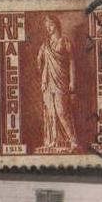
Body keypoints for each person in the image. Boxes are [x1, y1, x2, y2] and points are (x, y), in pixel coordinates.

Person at [36, 14, 78, 150]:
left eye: (50, 24)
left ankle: (73, 140)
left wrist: (72, 82)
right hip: (47, 82)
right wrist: (41, 64)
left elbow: (72, 63)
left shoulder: (65, 42)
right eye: (46, 26)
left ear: (56, 24)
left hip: (61, 81)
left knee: (61, 111)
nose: (48, 28)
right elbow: (39, 63)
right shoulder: (45, 45)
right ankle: (54, 140)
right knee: (51, 113)